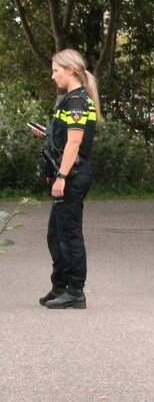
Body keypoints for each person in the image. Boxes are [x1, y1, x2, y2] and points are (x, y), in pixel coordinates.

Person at [31, 49, 100, 309]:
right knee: (55, 234)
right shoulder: (70, 99)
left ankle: (75, 291)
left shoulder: (77, 101)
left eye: (56, 70)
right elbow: (64, 137)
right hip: (67, 171)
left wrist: (61, 176)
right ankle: (60, 285)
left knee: (69, 235)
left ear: (70, 70)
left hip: (72, 174)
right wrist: (47, 134)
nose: (52, 76)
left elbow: (74, 142)